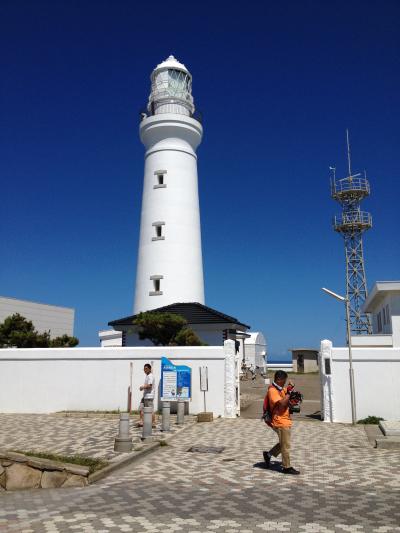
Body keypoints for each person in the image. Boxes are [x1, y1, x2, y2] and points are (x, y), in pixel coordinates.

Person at [262, 370, 300, 475]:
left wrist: (291, 394)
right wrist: (289, 392)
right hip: (279, 421)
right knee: (286, 445)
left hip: (285, 419)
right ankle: (286, 467)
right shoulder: (272, 391)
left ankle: (268, 455)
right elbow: (282, 403)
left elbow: (287, 399)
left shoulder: (280, 389)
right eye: (284, 381)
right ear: (278, 380)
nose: (284, 383)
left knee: (284, 443)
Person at [137, 363, 156, 427]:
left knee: (150, 410)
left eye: (146, 369)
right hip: (145, 396)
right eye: (144, 369)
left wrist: (143, 387)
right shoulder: (147, 376)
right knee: (141, 408)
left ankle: (153, 423)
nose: (145, 370)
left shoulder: (150, 376)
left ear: (150, 369)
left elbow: (150, 385)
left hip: (149, 396)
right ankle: (141, 422)